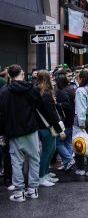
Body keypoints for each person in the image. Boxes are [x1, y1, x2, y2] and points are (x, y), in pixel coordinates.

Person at [0, 65, 47, 201]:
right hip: (30, 129)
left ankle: (19, 192)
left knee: (16, 162)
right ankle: (33, 189)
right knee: (34, 159)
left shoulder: (4, 91)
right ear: (22, 73)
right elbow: (39, 105)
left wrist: (2, 132)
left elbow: (1, 114)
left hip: (13, 131)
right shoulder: (31, 89)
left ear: (9, 75)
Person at [35, 70, 65, 187]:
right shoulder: (46, 94)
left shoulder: (37, 91)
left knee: (48, 151)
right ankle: (41, 177)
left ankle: (45, 174)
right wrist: (59, 129)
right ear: (47, 78)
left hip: (42, 126)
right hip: (47, 126)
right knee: (47, 152)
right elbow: (51, 114)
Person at [55, 75, 76, 171]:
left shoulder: (63, 92)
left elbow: (66, 105)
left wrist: (56, 104)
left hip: (64, 121)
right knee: (67, 142)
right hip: (70, 120)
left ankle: (69, 160)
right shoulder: (70, 90)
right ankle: (67, 163)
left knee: (57, 143)